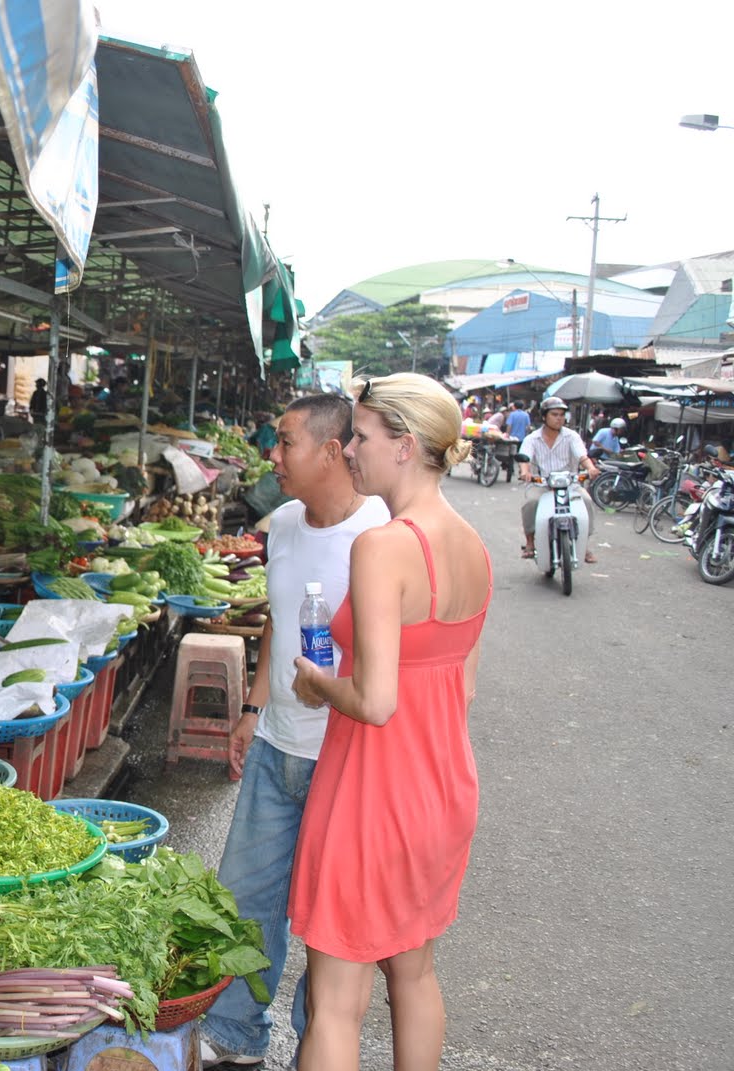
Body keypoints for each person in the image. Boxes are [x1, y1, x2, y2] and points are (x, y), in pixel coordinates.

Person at [287, 372, 492, 1071]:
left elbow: (375, 700)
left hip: (373, 791)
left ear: (404, 445)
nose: (349, 451)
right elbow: (462, 689)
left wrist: (318, 682)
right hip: (442, 789)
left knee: (336, 1001)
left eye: (364, 437)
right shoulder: (472, 544)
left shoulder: (383, 545)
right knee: (415, 975)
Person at [198, 394, 390, 1070]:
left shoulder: (382, 532)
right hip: (278, 741)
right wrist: (252, 708)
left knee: (327, 919)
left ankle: (320, 1038)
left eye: (284, 442)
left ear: (332, 450)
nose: (271, 457)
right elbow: (280, 617)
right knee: (245, 897)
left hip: (345, 756)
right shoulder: (280, 523)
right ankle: (235, 1033)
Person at [518, 397, 600, 563]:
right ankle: (530, 542)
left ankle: (584, 544)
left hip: (570, 484)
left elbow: (582, 456)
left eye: (562, 415)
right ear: (544, 417)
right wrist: (525, 472)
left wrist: (590, 468)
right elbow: (524, 459)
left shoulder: (572, 436)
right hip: (542, 484)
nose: (559, 418)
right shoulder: (532, 438)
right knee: (531, 503)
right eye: (554, 414)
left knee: (586, 500)